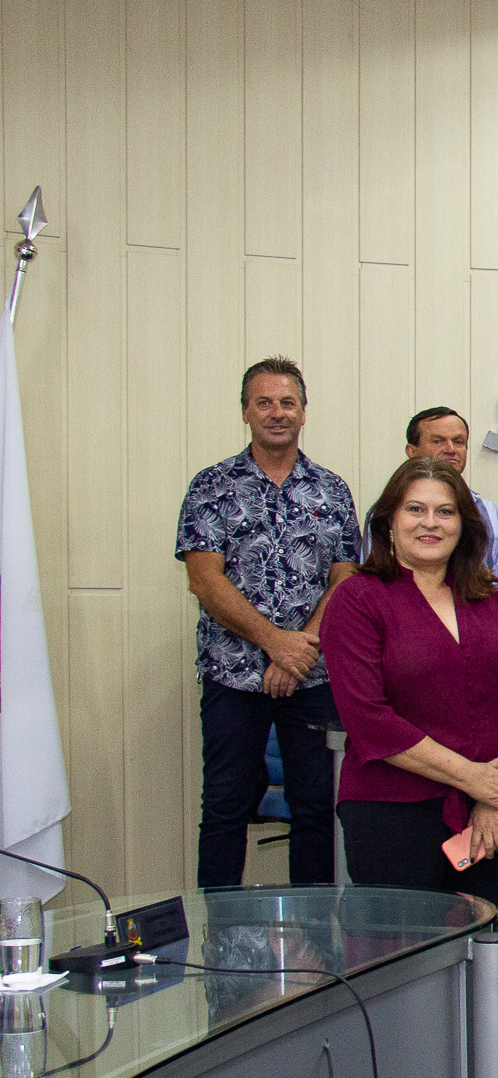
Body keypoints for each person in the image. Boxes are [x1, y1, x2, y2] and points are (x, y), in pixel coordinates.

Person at [176, 356, 360, 888]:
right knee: (225, 806)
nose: (277, 413)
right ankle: (218, 929)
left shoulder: (331, 489)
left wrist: (299, 651)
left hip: (312, 677)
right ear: (244, 411)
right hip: (233, 675)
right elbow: (205, 580)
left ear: (304, 411)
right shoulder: (212, 486)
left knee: (316, 807)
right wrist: (277, 643)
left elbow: (345, 579)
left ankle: (315, 931)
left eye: (287, 403)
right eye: (264, 403)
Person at [323, 458, 498, 903]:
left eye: (445, 512)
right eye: (415, 509)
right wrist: (476, 779)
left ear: (464, 526)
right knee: (401, 945)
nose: (430, 523)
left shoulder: (489, 601)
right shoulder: (357, 599)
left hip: (479, 816)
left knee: (479, 941)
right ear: (388, 522)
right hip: (389, 811)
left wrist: (491, 798)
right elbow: (368, 719)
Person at [387, 407, 498, 625]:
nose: (451, 449)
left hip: (480, 636)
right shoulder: (388, 513)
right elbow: (377, 581)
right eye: (438, 441)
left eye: (458, 441)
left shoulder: (489, 513)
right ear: (411, 451)